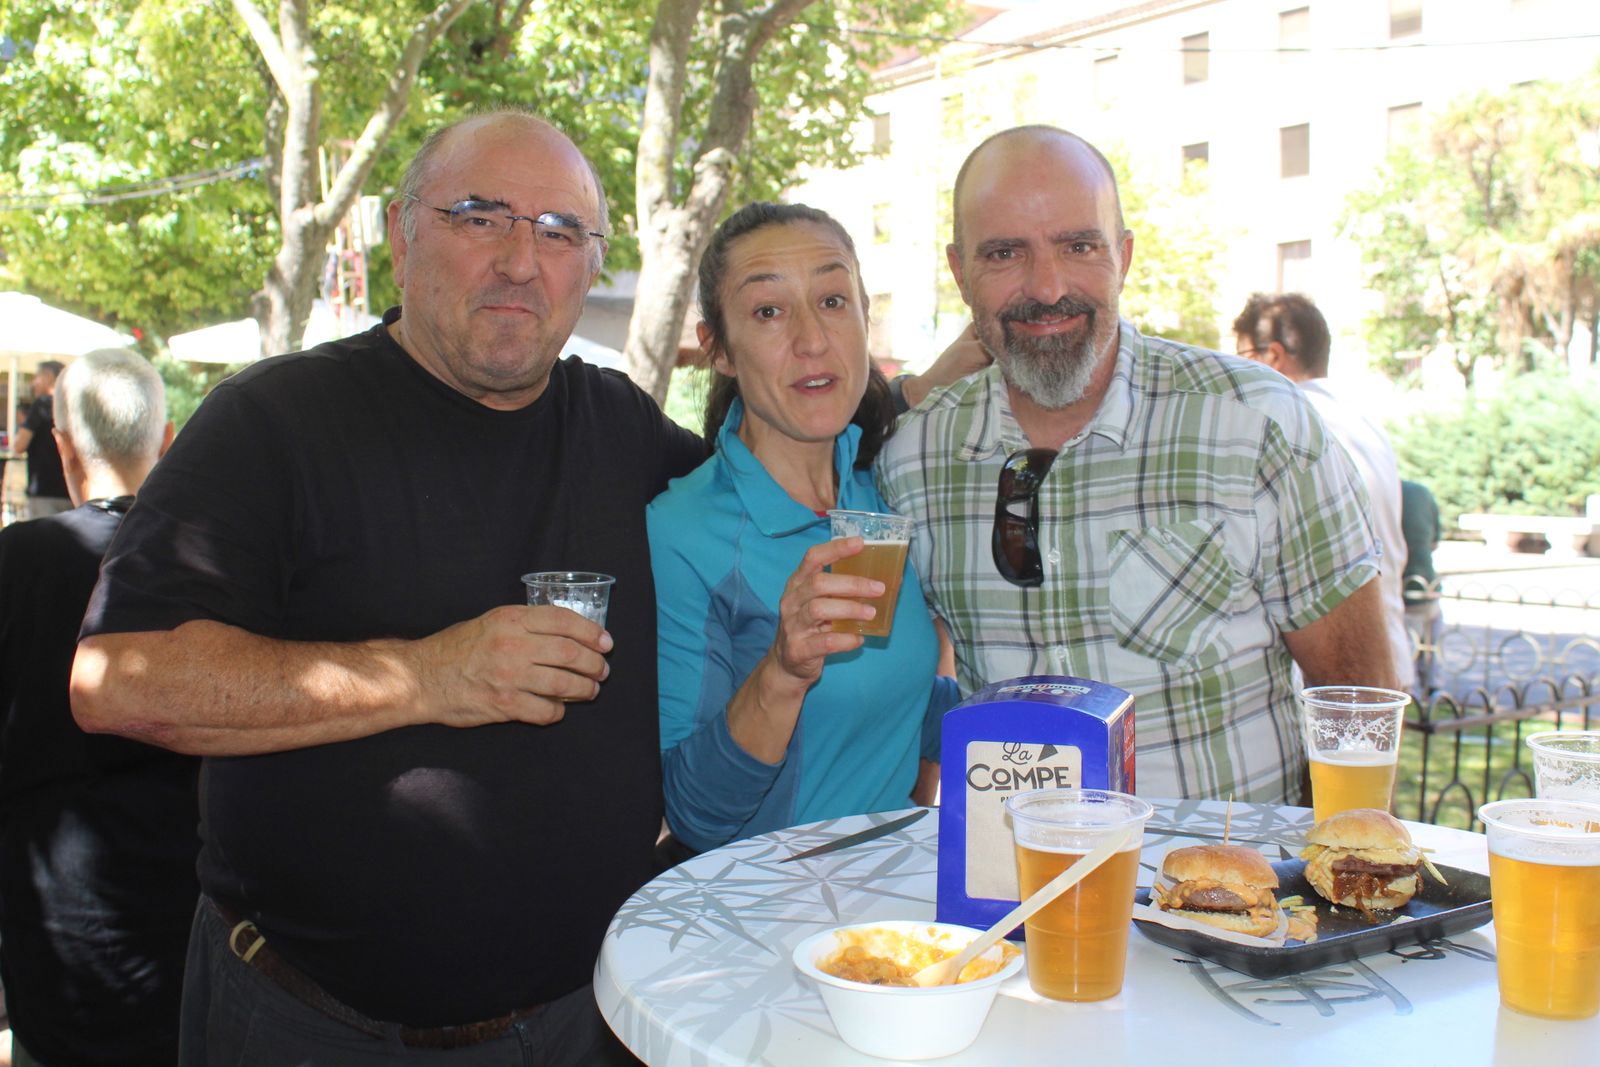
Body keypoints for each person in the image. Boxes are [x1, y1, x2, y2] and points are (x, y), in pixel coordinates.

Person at [69, 111, 704, 1064]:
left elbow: (775, 490)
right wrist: (428, 676)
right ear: (402, 235)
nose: (523, 261)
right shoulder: (274, 420)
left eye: (561, 231)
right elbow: (118, 681)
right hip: (313, 1026)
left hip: (588, 1019)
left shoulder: (618, 425)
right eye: (481, 216)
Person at [877, 125, 1396, 805]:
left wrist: (1346, 881)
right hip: (1012, 898)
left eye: (1079, 245)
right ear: (960, 272)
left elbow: (1354, 699)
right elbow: (920, 694)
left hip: (1231, 900)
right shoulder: (913, 461)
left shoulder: (1255, 422)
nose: (1047, 285)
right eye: (1005, 253)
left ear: (1122, 256)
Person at [648, 203, 956, 853]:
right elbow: (694, 814)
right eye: (768, 310)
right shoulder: (681, 531)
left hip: (895, 903)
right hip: (767, 917)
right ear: (720, 350)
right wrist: (783, 671)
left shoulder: (886, 488)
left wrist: (1011, 712)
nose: (812, 338)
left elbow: (887, 705)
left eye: (833, 299)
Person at [0, 349, 192, 1066]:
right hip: (197, 929)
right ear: (168, 439)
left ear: (61, 446)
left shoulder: (17, 562)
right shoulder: (217, 568)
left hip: (54, 938)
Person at [1232, 292, 1414, 692]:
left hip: (1328, 664)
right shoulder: (1363, 419)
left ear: (1273, 356)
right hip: (1385, 652)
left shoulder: (1287, 424)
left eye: (1241, 353)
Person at [10, 362, 72, 519]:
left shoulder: (42, 404)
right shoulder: (73, 406)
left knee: (41, 541)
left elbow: (19, 446)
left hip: (43, 491)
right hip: (72, 490)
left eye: (37, 377)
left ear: (49, 377)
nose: (33, 383)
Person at [1400, 478, 1445, 694]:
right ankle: (1430, 687)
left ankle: (1418, 693)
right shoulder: (1421, 492)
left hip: (1403, 592)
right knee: (1426, 649)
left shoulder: (1387, 491)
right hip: (1426, 587)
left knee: (1407, 654)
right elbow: (1434, 542)